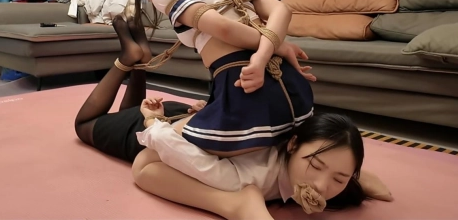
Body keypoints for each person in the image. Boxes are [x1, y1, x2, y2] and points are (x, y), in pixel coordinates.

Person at [73, 16, 391, 220]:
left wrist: (352, 181)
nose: (321, 186)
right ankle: (128, 59)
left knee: (130, 113)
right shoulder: (254, 177)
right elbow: (160, 157)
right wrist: (152, 123)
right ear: (293, 144)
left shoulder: (292, 145)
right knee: (84, 124)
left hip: (184, 118)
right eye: (318, 166)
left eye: (339, 179)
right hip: (159, 132)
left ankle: (138, 59)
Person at [131, 0, 315, 157]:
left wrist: (275, 48)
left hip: (246, 89)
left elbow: (223, 28)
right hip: (295, 92)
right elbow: (283, 10)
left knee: (151, 155)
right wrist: (271, 48)